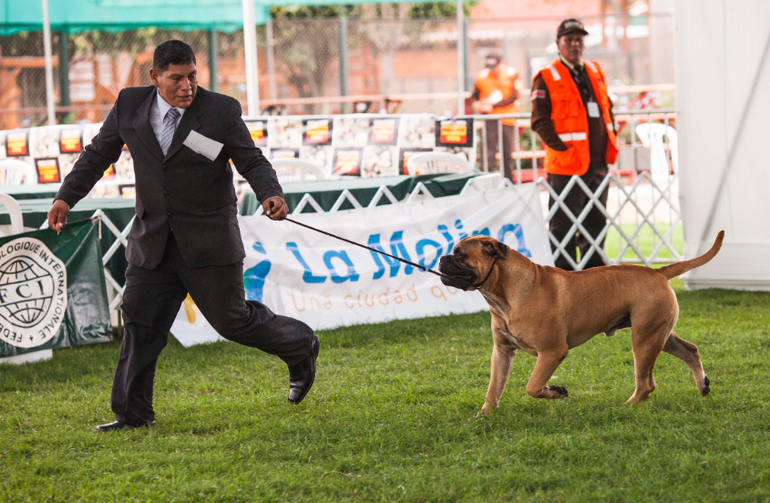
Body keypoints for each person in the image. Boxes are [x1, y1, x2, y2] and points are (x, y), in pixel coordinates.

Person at [47, 40, 320, 432]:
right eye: (176, 78)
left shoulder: (220, 111)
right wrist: (65, 197)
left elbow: (251, 159)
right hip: (153, 241)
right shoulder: (129, 105)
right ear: (155, 76)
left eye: (192, 76)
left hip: (209, 240)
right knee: (141, 324)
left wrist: (270, 193)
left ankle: (300, 345)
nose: (187, 86)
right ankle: (132, 414)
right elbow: (97, 155)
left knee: (233, 321)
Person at [531, 19, 618, 270]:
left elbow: (606, 108)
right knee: (563, 225)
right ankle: (561, 276)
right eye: (568, 39)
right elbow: (539, 120)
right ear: (558, 44)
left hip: (598, 161)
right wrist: (561, 148)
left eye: (579, 39)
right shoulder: (547, 76)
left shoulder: (594, 70)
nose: (575, 44)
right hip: (566, 165)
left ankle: (594, 275)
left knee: (596, 221)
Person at [470, 54, 521, 180]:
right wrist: (476, 105)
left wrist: (493, 106)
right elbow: (474, 96)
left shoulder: (512, 73)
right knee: (487, 154)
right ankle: (485, 182)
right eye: (490, 67)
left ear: (501, 62)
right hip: (489, 120)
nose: (492, 70)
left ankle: (508, 183)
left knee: (507, 154)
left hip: (507, 118)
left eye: (495, 66)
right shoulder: (482, 76)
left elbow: (515, 96)